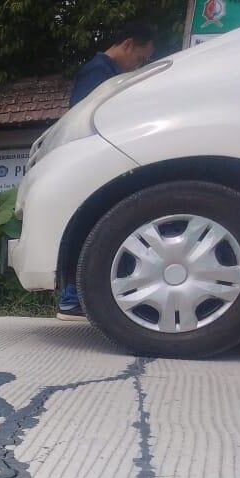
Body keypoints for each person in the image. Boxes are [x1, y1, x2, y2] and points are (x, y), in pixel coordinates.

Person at [57, 20, 157, 321]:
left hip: (94, 158)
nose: (136, 65)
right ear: (128, 44)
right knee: (88, 225)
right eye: (139, 58)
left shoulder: (105, 71)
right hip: (91, 158)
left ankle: (77, 297)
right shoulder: (99, 72)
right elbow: (87, 116)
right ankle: (73, 297)